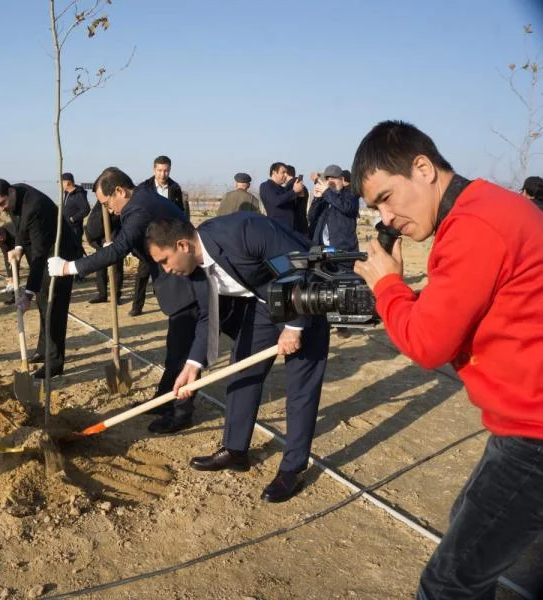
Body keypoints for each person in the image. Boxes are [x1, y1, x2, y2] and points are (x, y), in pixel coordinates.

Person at [351, 120, 543, 599]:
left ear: (422, 168)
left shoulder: (474, 224)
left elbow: (428, 344)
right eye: (375, 208)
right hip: (519, 420)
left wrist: (387, 287)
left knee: (448, 584)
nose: (386, 217)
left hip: (534, 432)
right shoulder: (484, 207)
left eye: (386, 197)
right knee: (466, 524)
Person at [145, 215, 329, 501]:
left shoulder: (243, 231)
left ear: (182, 245)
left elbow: (297, 263)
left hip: (305, 298)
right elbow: (209, 317)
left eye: (165, 260)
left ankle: (292, 469)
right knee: (242, 370)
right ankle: (235, 450)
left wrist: (294, 326)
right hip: (266, 303)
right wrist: (193, 365)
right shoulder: (194, 268)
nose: (166, 269)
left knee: (300, 390)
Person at [48, 167, 208, 434]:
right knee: (175, 348)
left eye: (108, 203)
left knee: (184, 351)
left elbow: (121, 249)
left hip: (187, 282)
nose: (109, 211)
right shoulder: (142, 198)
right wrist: (118, 244)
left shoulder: (138, 208)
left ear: (120, 191)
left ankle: (181, 413)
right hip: (177, 282)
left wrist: (69, 268)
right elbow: (129, 241)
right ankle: (164, 399)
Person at [0, 178, 82, 379]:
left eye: (2, 204)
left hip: (58, 254)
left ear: (10, 191)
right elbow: (20, 227)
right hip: (42, 254)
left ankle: (54, 363)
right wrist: (18, 248)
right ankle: (43, 350)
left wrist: (27, 293)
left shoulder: (34, 206)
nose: (1, 209)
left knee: (53, 307)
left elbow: (39, 255)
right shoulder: (14, 197)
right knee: (43, 304)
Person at [131, 156, 188, 317]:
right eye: (160, 170)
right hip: (148, 235)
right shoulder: (144, 188)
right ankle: (137, 305)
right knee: (143, 272)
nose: (163, 174)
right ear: (153, 169)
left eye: (166, 170)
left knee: (167, 270)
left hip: (168, 235)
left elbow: (179, 211)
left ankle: (167, 301)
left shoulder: (175, 188)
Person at [308, 164, 359, 253]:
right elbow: (311, 217)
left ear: (342, 180)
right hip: (322, 250)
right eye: (328, 179)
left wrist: (327, 192)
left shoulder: (350, 194)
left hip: (343, 252)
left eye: (333, 178)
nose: (330, 182)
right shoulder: (325, 197)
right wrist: (317, 199)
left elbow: (347, 208)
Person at [84, 200, 124, 304]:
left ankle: (116, 295)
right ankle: (102, 294)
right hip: (101, 238)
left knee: (116, 268)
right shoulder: (101, 201)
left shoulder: (120, 198)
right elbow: (94, 221)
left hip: (116, 236)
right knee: (101, 267)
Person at [259, 162, 305, 233]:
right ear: (274, 172)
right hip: (277, 229)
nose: (286, 175)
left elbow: (294, 208)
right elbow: (275, 201)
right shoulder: (266, 186)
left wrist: (300, 196)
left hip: (291, 229)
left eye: (286, 173)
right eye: (283, 172)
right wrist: (293, 191)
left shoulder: (283, 189)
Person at [62, 172, 90, 253]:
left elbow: (86, 209)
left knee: (76, 249)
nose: (60, 185)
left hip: (75, 228)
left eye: (62, 182)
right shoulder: (67, 193)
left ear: (67, 183)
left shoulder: (79, 194)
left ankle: (82, 263)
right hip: (67, 227)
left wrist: (73, 219)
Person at [286, 164, 310, 237]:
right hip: (303, 224)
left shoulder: (291, 186)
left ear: (286, 173)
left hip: (294, 226)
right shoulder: (303, 186)